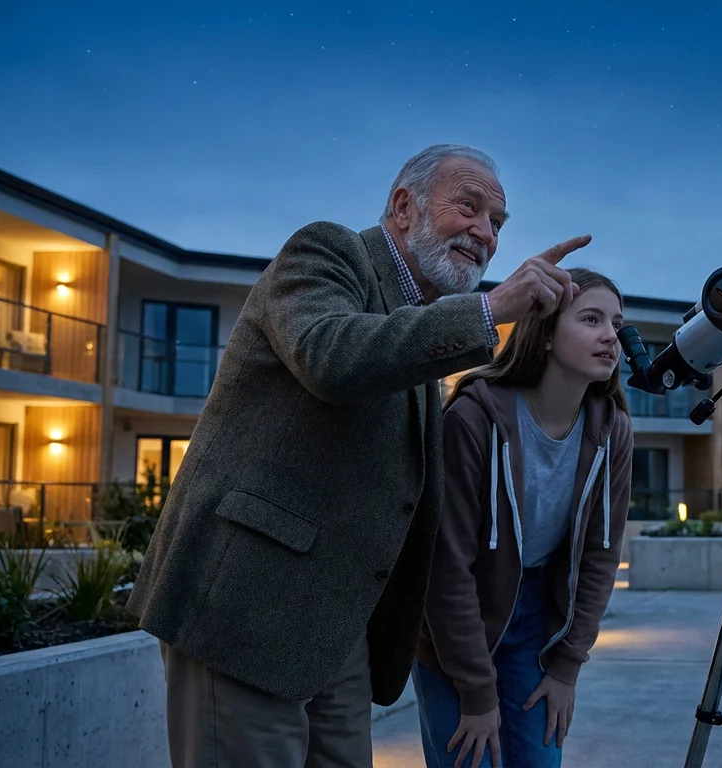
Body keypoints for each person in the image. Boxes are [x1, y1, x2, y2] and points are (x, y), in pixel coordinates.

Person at [125, 143, 594, 767]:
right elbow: (332, 357)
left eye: (498, 224)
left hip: (338, 629)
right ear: (404, 207)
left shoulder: (421, 326)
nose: (484, 233)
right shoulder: (327, 252)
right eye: (469, 207)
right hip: (244, 609)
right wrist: (491, 309)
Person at [412, 267, 633, 768]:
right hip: (458, 618)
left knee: (539, 758)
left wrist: (567, 667)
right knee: (471, 758)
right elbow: (445, 569)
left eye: (616, 325)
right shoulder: (471, 419)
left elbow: (601, 555)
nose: (609, 336)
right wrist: (475, 692)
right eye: (591, 319)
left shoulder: (611, 429)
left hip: (537, 617)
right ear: (547, 332)